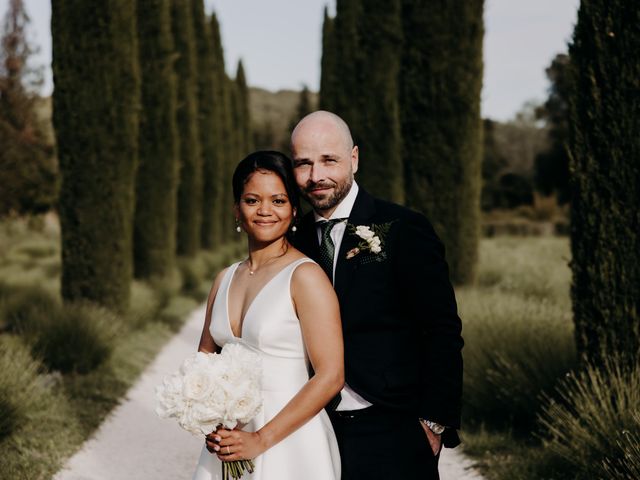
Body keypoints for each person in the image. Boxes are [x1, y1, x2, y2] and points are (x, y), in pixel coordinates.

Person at [290, 111, 464, 480]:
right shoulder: (293, 240)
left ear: (354, 158)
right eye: (303, 163)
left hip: (391, 426)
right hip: (311, 429)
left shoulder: (404, 228)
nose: (315, 175)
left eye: (328, 160)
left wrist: (433, 423)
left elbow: (442, 328)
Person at [192, 151, 343, 480]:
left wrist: (260, 440)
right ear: (237, 208)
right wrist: (209, 417)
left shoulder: (305, 277)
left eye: (277, 200)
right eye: (251, 200)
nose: (264, 211)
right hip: (230, 439)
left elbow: (331, 375)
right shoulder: (224, 278)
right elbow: (205, 355)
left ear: (293, 210)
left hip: (290, 440)